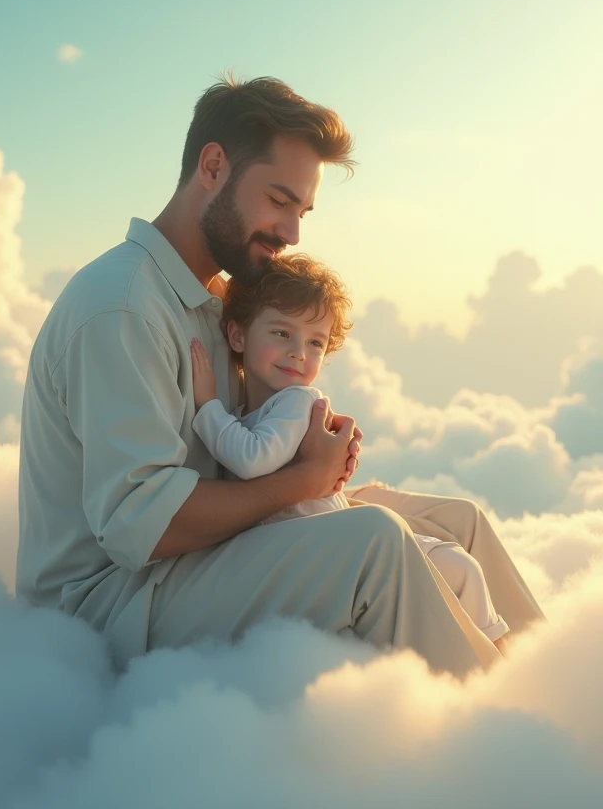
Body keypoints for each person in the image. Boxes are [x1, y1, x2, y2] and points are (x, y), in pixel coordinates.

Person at [16, 74, 542, 676]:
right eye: (278, 200)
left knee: (459, 525)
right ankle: (510, 744)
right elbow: (145, 527)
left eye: (302, 209)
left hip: (199, 554)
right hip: (110, 606)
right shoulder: (123, 307)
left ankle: (555, 704)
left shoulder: (217, 296)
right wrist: (303, 482)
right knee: (376, 544)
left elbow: (236, 445)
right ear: (212, 166)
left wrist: (313, 449)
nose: (293, 232)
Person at [189, 252, 513, 651]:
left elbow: (250, 459)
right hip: (318, 555)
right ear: (237, 336)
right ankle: (494, 658)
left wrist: (207, 407)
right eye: (281, 333)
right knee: (455, 570)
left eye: (315, 342)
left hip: (334, 553)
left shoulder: (296, 402)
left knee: (457, 569)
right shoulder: (253, 412)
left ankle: (495, 659)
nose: (299, 352)